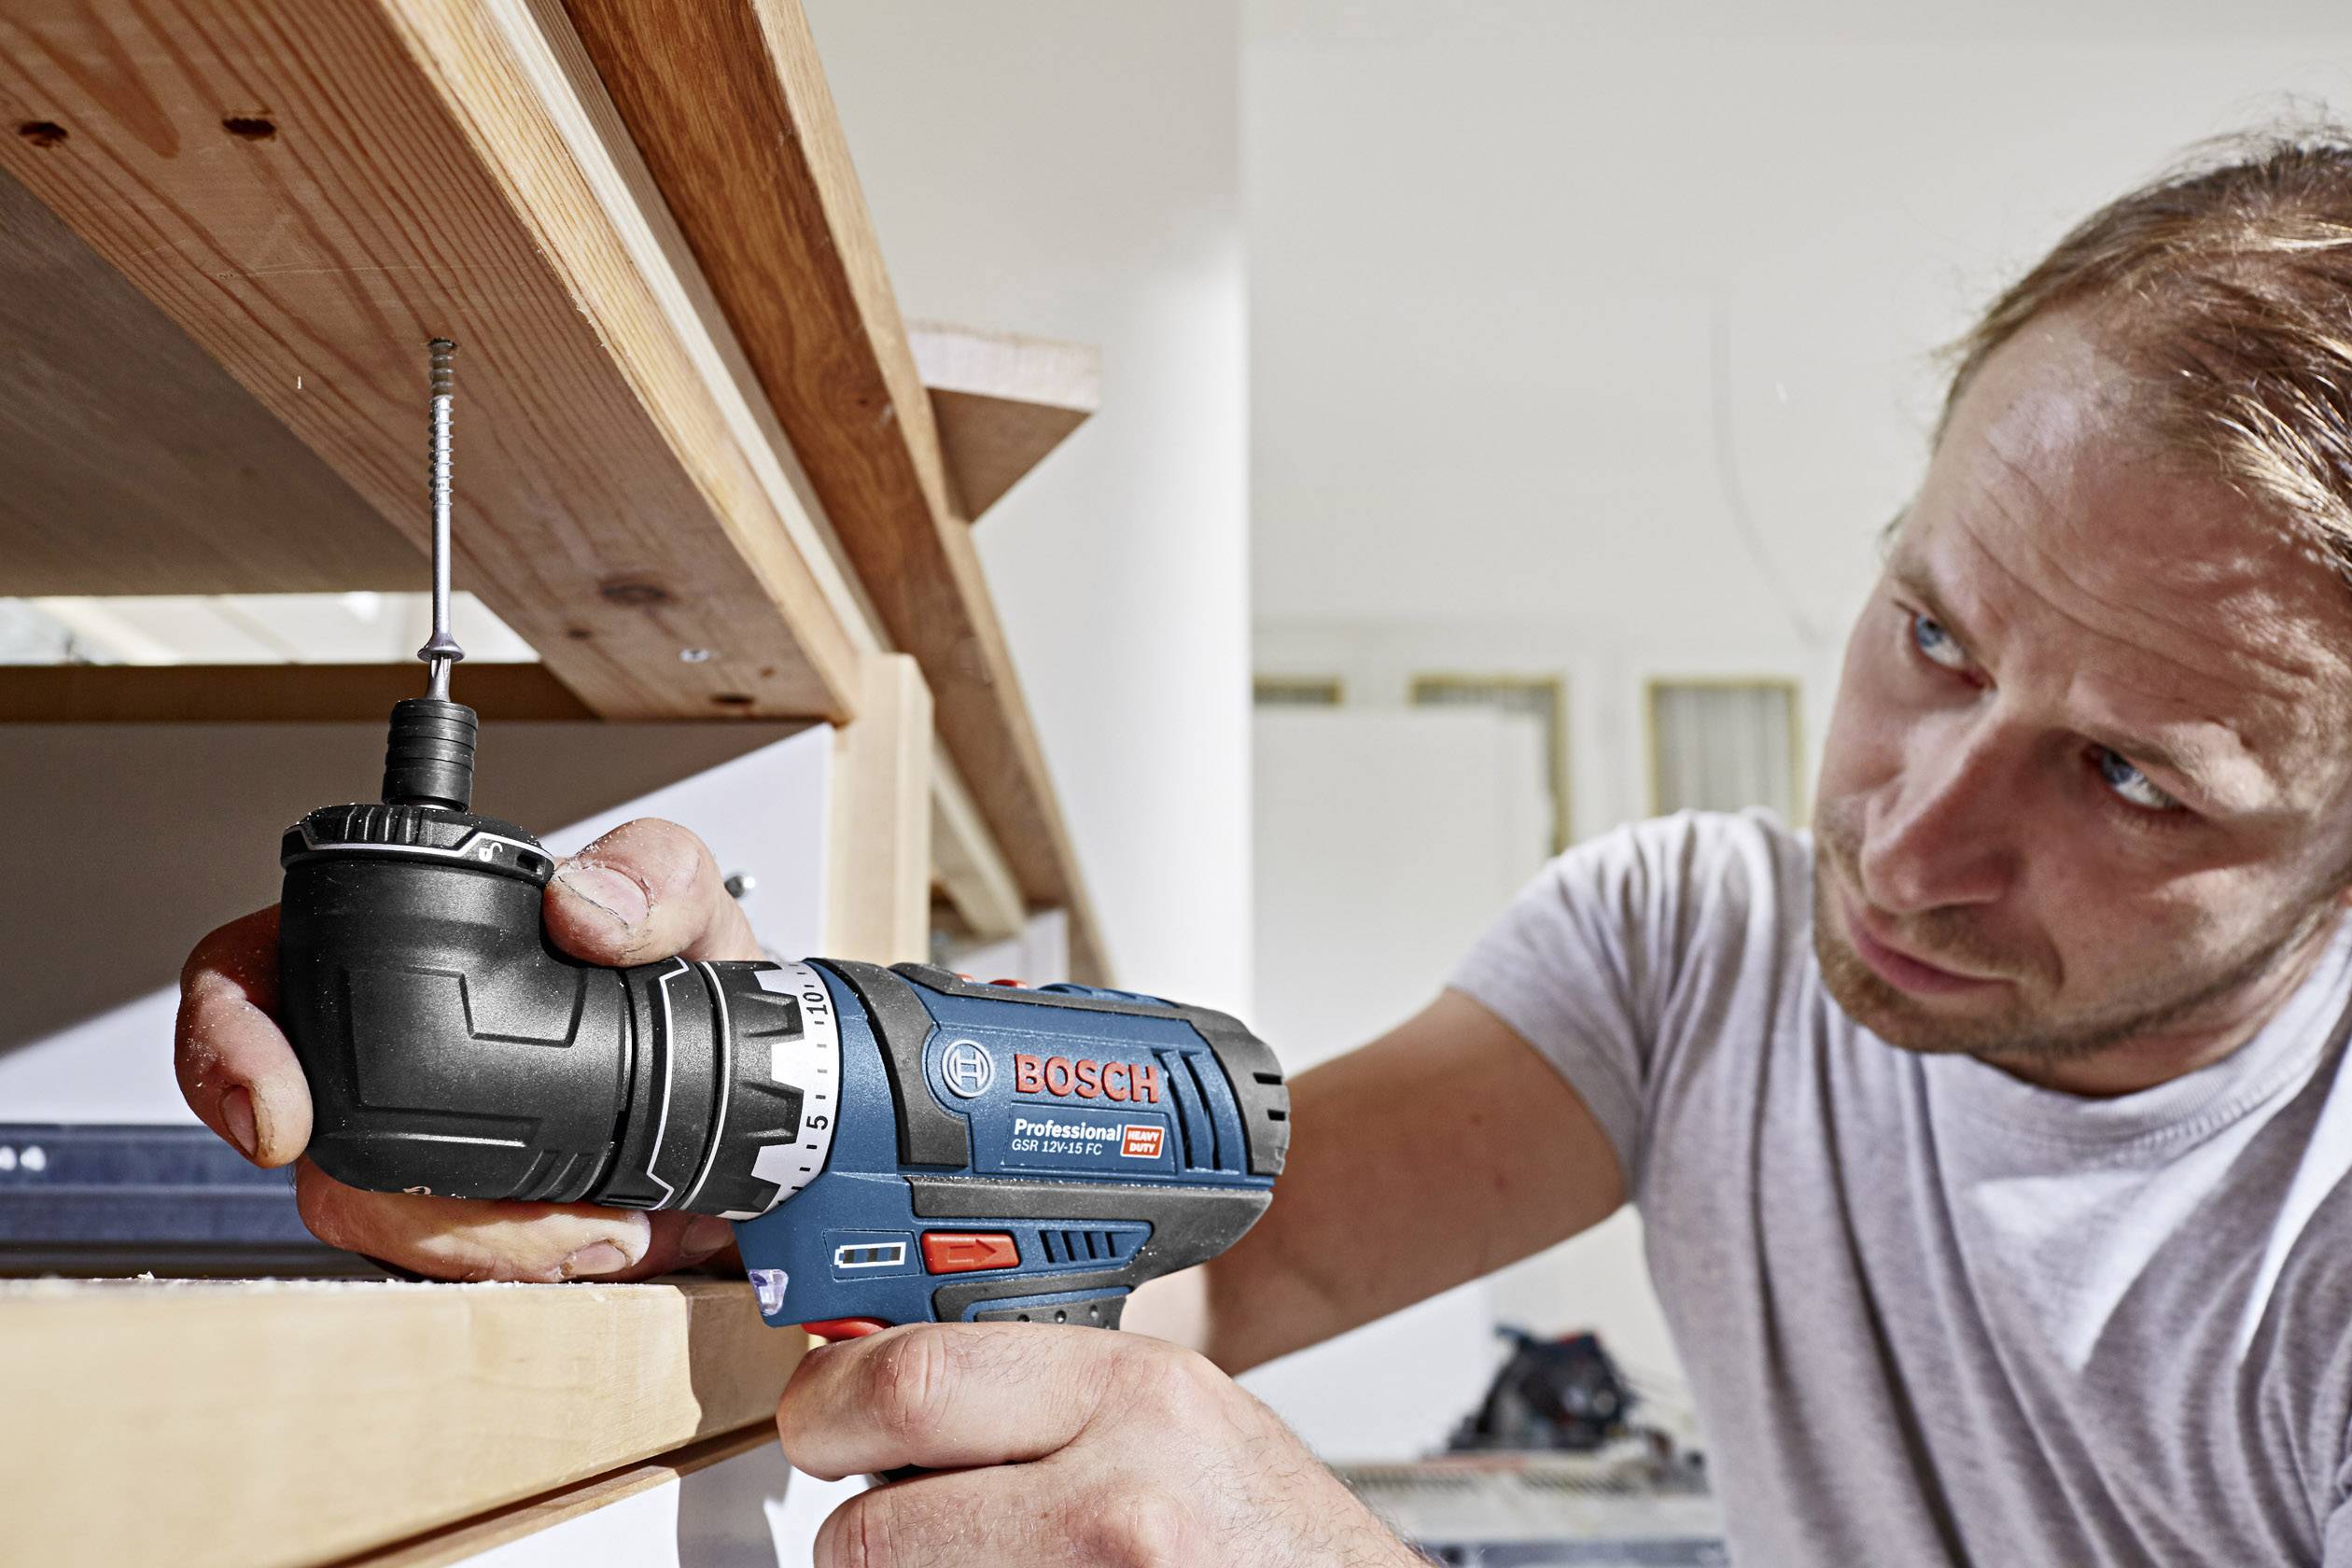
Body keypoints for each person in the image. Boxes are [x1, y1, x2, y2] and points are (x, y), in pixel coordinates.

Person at [175, 130, 2352, 1564]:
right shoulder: (1697, 951)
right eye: (1934, 633)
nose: (1910, 835)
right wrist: (711, 1109)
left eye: (2132, 779)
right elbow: (1219, 1258)